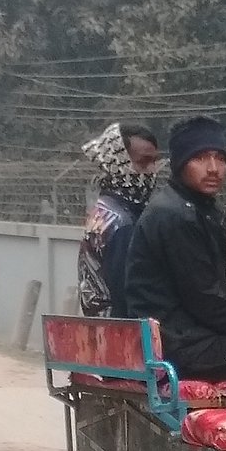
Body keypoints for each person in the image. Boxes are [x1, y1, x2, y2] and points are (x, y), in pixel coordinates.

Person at [124, 116, 226, 380]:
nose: (214, 168)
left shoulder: (198, 209)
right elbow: (204, 298)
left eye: (220, 158)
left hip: (190, 336)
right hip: (176, 344)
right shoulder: (175, 215)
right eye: (201, 158)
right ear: (180, 164)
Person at [77, 122, 160, 317]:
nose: (152, 170)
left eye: (154, 161)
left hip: (103, 330)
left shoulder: (103, 210)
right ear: (117, 162)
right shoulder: (124, 224)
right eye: (143, 162)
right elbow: (129, 297)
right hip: (125, 335)